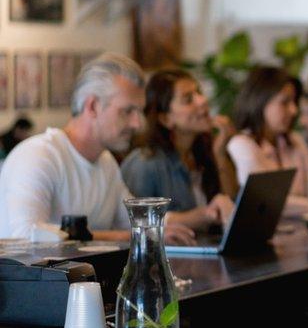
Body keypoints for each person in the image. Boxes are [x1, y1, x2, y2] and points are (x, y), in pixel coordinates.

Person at [0, 53, 194, 244]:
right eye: (127, 111)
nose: (137, 124)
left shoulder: (105, 161)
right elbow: (26, 237)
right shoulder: (38, 156)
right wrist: (134, 235)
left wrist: (204, 216)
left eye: (138, 111)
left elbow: (135, 221)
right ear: (92, 106)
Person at [121, 69, 237, 233]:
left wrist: (220, 154)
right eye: (188, 99)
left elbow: (231, 209)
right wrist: (205, 214)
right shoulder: (145, 163)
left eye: (199, 93)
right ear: (165, 119)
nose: (203, 100)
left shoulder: (203, 151)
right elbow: (136, 222)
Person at [227, 66, 308, 216]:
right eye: (284, 102)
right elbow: (264, 200)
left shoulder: (294, 139)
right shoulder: (242, 144)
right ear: (260, 101)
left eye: (294, 102)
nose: (294, 110)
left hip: (307, 234)